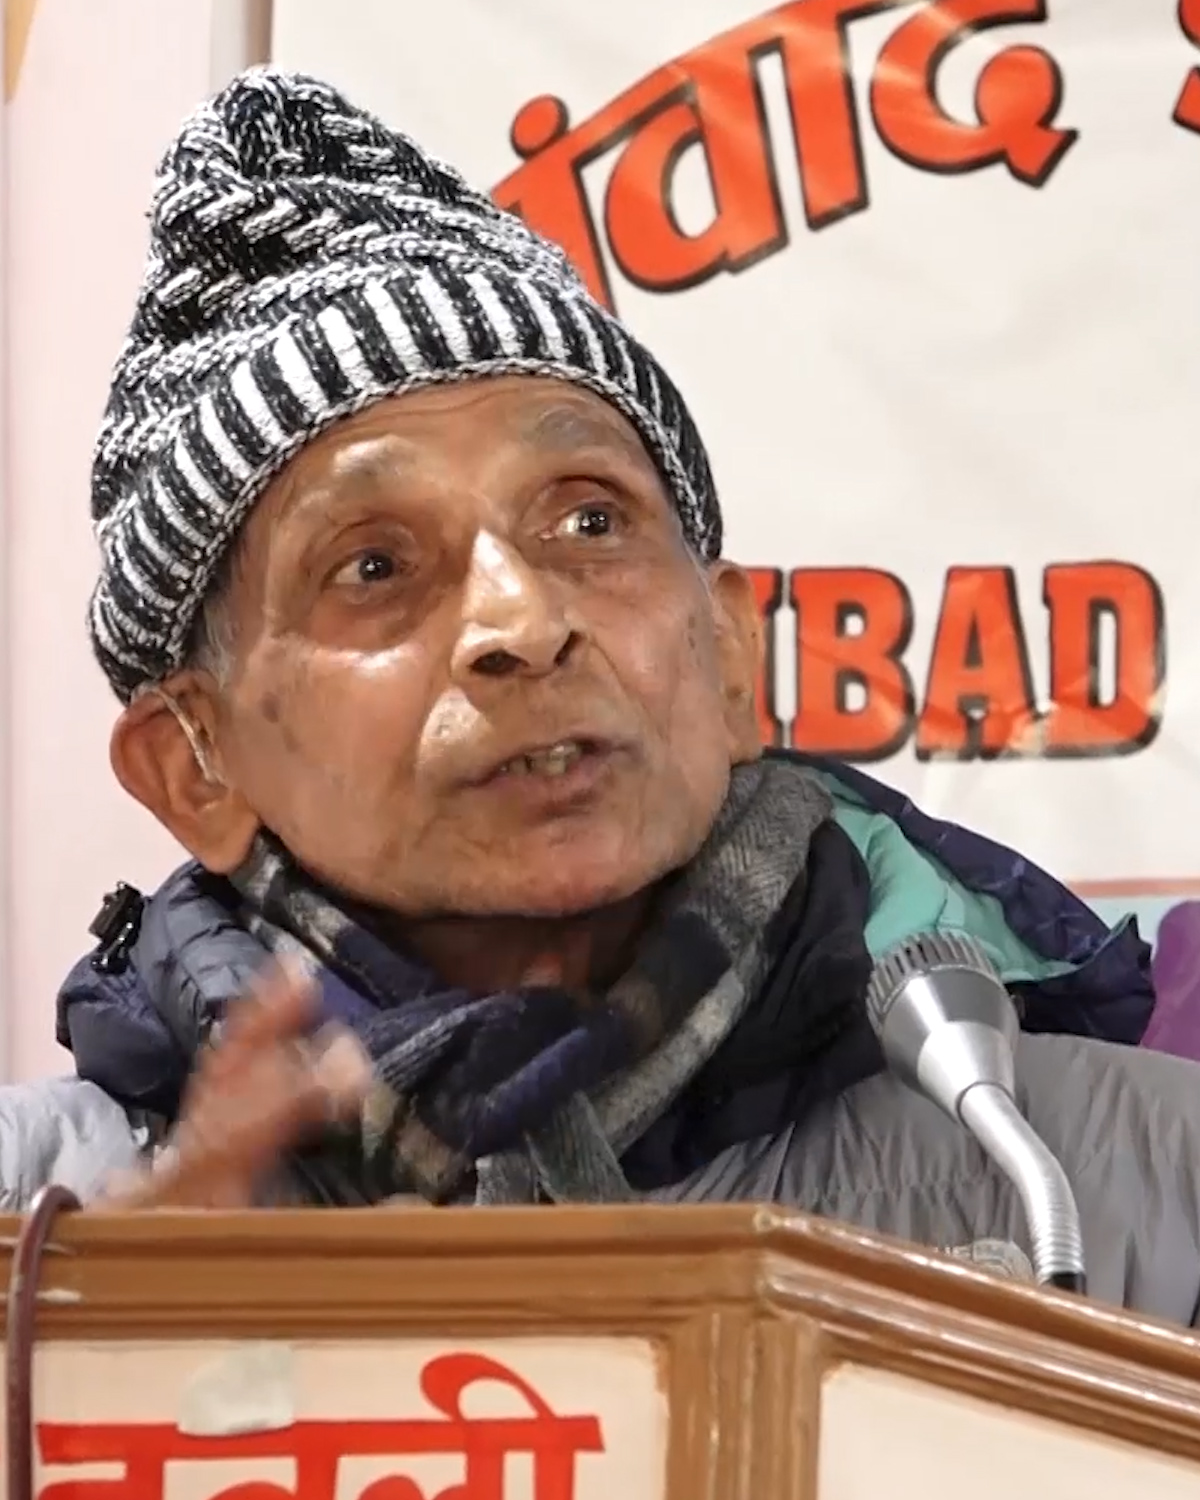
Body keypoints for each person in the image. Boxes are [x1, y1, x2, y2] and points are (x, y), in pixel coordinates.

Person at [16, 68, 1200, 1322]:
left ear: (731, 660)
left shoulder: (1113, 1183)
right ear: (195, 765)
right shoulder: (45, 1238)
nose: (523, 624)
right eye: (373, 566)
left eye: (590, 520)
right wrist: (89, 1380)